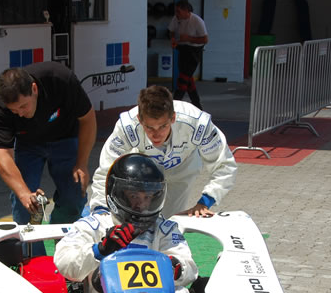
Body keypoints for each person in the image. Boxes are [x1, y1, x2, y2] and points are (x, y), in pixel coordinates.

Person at [54, 154, 200, 293]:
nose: (141, 204)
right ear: (116, 194)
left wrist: (175, 267)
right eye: (134, 196)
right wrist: (100, 250)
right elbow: (64, 261)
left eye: (148, 196)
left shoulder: (164, 229)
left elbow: (189, 265)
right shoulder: (93, 226)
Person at [0, 61, 96, 254]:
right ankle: (33, 258)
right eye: (15, 111)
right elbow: (2, 156)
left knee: (74, 197)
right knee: (25, 206)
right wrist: (23, 193)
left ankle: (64, 248)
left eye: (24, 106)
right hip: (27, 145)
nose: (21, 113)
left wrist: (82, 162)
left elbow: (88, 119)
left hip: (66, 138)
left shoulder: (59, 79)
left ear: (34, 89)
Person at [90, 85, 237, 219]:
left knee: (169, 222)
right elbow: (106, 170)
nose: (156, 134)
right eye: (149, 128)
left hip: (182, 171)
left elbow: (224, 165)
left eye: (162, 126)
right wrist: (100, 208)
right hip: (142, 172)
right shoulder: (127, 127)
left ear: (173, 117)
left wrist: (206, 201)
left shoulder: (198, 124)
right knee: (133, 218)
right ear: (139, 120)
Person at [168, 0, 208, 110]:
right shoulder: (176, 19)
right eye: (176, 11)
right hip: (182, 49)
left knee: (183, 78)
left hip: (194, 50)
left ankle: (174, 105)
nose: (177, 14)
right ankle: (197, 105)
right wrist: (172, 39)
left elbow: (205, 39)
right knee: (188, 79)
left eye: (179, 11)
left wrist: (189, 38)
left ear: (186, 11)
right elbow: (171, 31)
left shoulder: (197, 21)